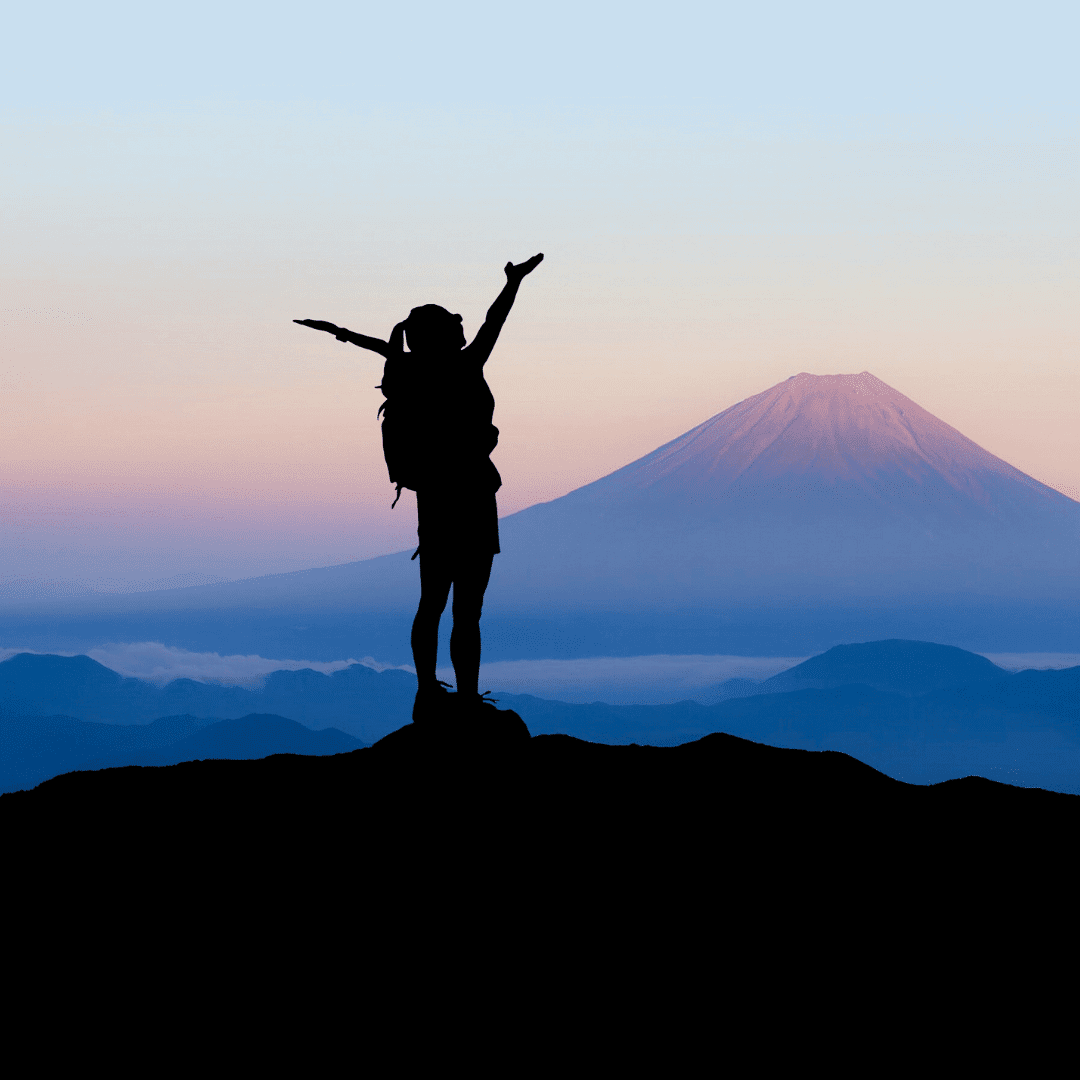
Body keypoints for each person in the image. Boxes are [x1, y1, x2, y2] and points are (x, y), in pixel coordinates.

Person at [295, 253, 543, 721]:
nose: (463, 329)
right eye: (454, 326)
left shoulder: (410, 373)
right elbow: (496, 321)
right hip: (472, 496)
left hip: (434, 500)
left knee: (432, 601)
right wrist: (513, 283)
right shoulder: (467, 366)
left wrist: (341, 333)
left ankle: (427, 691)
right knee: (468, 609)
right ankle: (466, 698)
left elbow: (382, 348)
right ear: (447, 336)